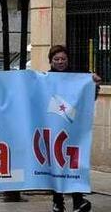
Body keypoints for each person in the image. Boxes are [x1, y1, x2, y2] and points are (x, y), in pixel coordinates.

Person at [46, 44, 100, 212]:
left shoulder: (78, 76)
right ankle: (58, 202)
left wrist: (94, 85)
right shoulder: (45, 78)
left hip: (73, 130)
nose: (60, 62)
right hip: (53, 129)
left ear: (68, 59)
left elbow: (89, 97)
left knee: (74, 164)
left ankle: (78, 200)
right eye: (56, 59)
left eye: (63, 59)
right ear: (50, 61)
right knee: (56, 165)